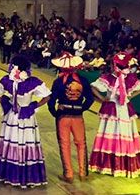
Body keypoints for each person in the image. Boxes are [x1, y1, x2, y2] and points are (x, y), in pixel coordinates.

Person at [0, 54, 51, 188]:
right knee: (26, 143)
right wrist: (34, 106)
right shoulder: (33, 81)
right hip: (27, 117)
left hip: (12, 116)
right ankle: (27, 176)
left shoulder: (7, 80)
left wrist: (6, 102)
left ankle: (8, 174)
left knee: (10, 142)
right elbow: (47, 96)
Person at [89, 52, 140, 178]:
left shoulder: (125, 78)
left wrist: (127, 96)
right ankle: (118, 165)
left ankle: (114, 165)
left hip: (120, 109)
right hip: (115, 109)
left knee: (115, 134)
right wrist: (104, 99)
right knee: (118, 134)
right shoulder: (111, 78)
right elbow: (93, 87)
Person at [47, 52, 94, 183]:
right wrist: (81, 108)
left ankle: (68, 174)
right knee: (81, 143)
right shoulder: (83, 80)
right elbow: (90, 99)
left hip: (63, 116)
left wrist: (55, 113)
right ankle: (83, 172)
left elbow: (51, 102)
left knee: (64, 144)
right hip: (78, 116)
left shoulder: (58, 82)